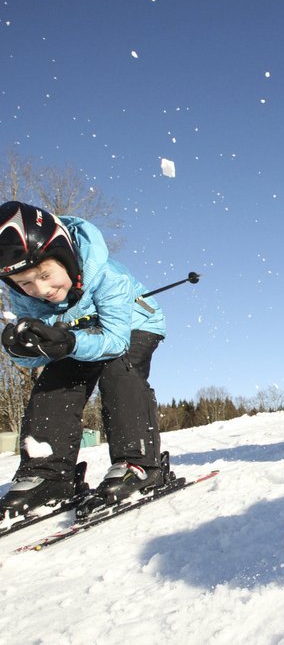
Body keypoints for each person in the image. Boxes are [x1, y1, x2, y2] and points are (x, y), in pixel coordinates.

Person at [0, 201, 166, 517]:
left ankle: (138, 462)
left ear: (63, 254)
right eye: (25, 283)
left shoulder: (107, 275)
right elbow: (44, 351)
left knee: (119, 372)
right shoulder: (25, 297)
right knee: (56, 379)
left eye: (45, 274)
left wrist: (69, 341)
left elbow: (116, 342)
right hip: (81, 336)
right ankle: (48, 473)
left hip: (134, 326)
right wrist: (25, 350)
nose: (40, 290)